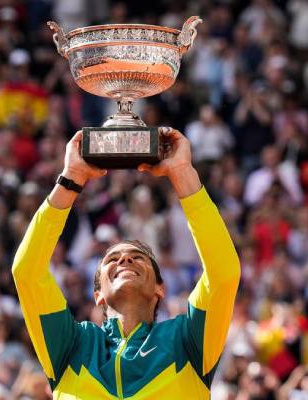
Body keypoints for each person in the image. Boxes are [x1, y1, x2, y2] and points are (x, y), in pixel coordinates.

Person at [12, 128, 240, 398]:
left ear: (160, 289)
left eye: (138, 258)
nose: (125, 259)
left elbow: (223, 273)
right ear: (98, 295)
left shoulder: (187, 340)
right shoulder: (72, 345)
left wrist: (183, 174)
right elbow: (27, 272)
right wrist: (70, 180)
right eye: (112, 259)